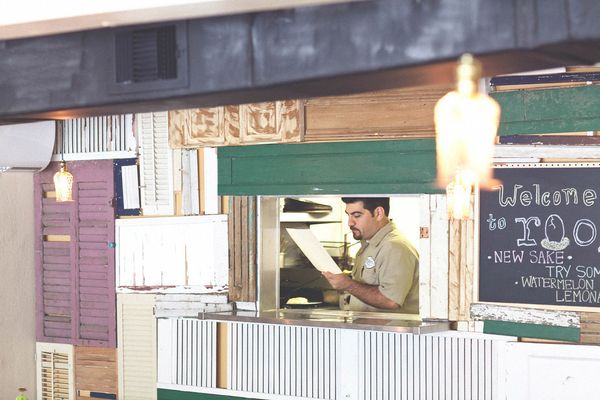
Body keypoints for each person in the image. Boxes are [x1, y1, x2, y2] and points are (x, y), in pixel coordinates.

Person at [322, 197, 419, 313]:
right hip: (369, 329)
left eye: (357, 215)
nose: (350, 223)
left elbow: (390, 300)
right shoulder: (368, 245)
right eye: (348, 215)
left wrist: (347, 284)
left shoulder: (394, 247)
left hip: (390, 330)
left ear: (378, 213)